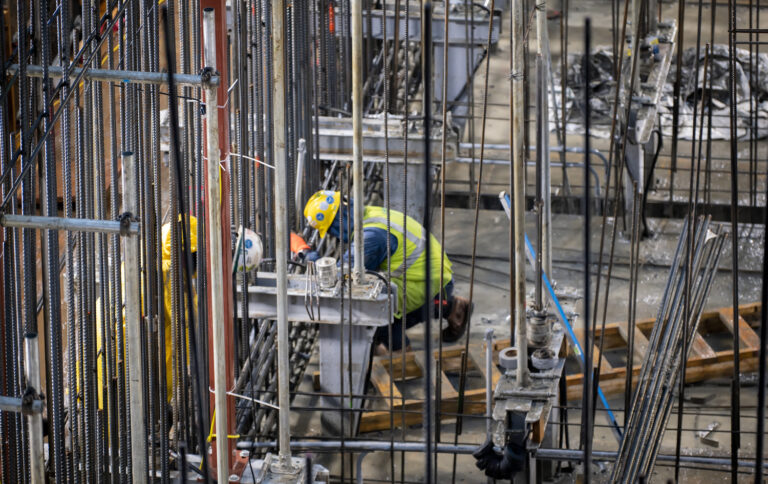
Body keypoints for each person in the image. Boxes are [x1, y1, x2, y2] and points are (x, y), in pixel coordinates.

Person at [303, 190, 471, 353]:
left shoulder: (370, 236)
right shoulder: (370, 213)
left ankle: (401, 355)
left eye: (332, 231)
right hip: (436, 275)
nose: (335, 237)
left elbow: (342, 276)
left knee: (377, 315)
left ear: (338, 223)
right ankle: (452, 306)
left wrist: (316, 261)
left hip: (425, 283)